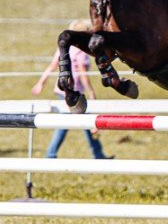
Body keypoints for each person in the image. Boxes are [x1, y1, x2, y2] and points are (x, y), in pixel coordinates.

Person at [31, 19, 113, 159]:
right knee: (72, 124)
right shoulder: (82, 52)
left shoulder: (64, 48)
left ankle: (97, 154)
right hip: (74, 92)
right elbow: (83, 76)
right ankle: (51, 154)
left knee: (80, 123)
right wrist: (91, 93)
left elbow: (52, 66)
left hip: (60, 89)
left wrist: (41, 83)